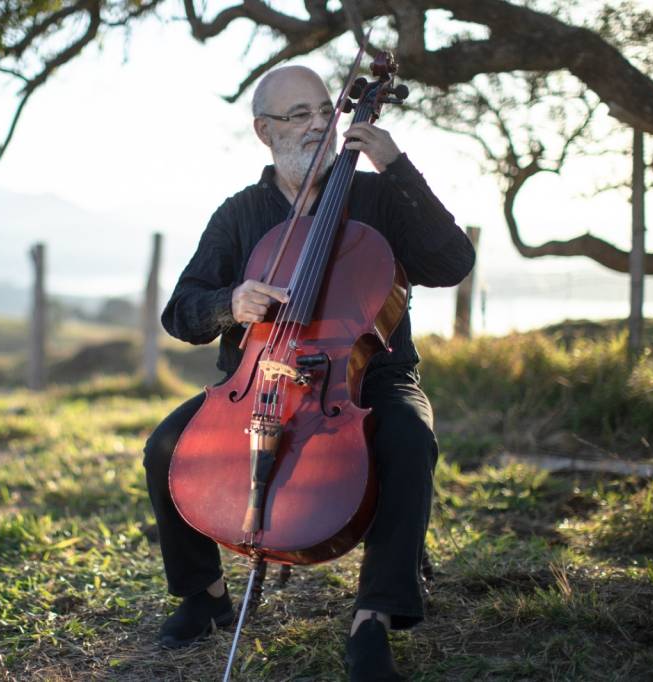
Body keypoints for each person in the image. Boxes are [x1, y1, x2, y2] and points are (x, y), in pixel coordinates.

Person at [142, 65, 475, 680]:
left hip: (371, 377)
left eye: (326, 110)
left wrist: (396, 166)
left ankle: (373, 618)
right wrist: (229, 303)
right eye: (300, 115)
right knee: (165, 446)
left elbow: (453, 261)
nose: (320, 124)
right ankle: (205, 598)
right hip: (259, 380)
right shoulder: (241, 214)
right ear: (264, 132)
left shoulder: (376, 196)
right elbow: (180, 313)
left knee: (408, 438)